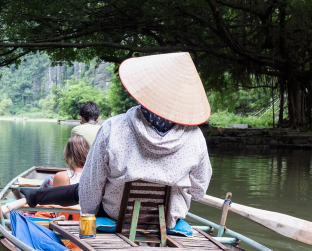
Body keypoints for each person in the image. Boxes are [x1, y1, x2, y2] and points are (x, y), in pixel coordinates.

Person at [22, 52, 212, 229]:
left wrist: (91, 220)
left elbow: (90, 189)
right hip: (166, 223)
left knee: (88, 189)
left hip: (116, 219)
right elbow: (198, 191)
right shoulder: (195, 138)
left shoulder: (114, 128)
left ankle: (35, 197)